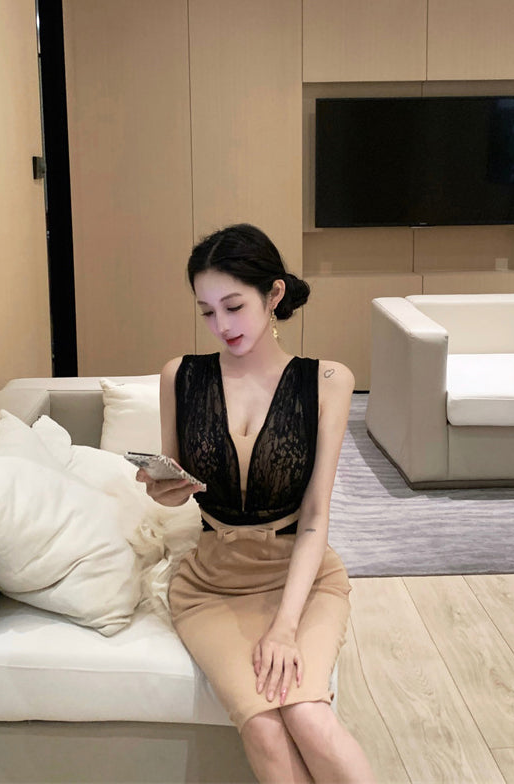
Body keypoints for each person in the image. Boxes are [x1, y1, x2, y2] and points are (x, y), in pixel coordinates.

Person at [138, 224, 375, 783]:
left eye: (234, 306)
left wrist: (285, 627)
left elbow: (315, 518)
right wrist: (161, 487)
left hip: (302, 579)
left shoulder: (328, 381)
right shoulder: (181, 376)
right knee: (264, 727)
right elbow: (171, 478)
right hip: (211, 585)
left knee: (308, 716)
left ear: (273, 296)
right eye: (207, 312)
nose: (222, 326)